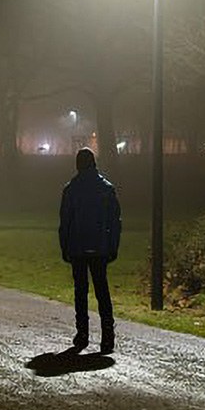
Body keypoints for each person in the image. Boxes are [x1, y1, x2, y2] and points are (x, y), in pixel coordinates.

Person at [59, 147, 121, 354]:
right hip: (100, 246)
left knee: (81, 291)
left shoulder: (71, 189)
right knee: (102, 290)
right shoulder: (106, 189)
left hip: (77, 246)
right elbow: (115, 221)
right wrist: (113, 245)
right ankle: (107, 336)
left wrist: (64, 246)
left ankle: (82, 333)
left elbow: (65, 221)